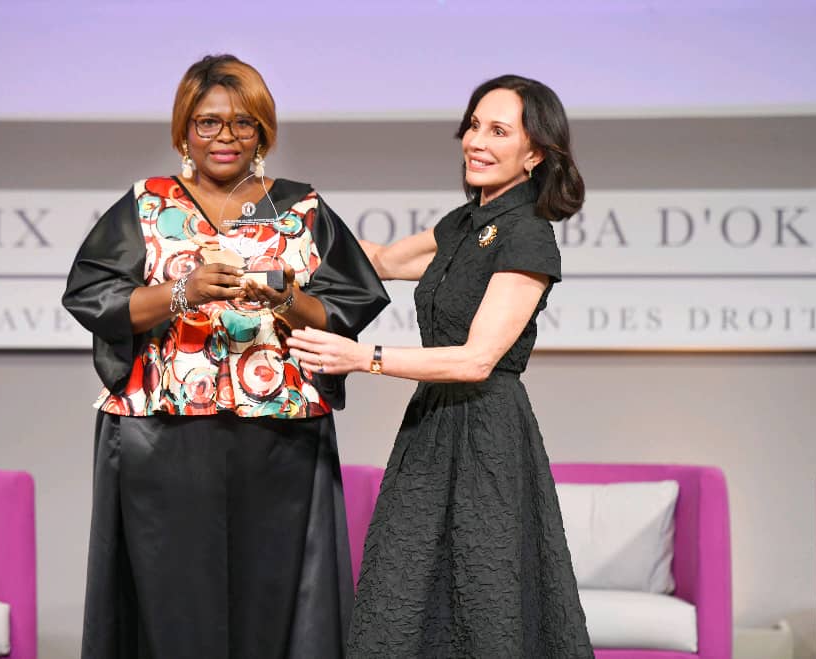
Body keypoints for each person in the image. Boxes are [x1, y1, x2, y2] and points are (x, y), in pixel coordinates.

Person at [62, 54, 388, 659]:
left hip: (280, 434)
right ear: (184, 131)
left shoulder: (299, 208)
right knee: (172, 602)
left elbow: (347, 305)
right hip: (161, 434)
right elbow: (92, 296)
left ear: (262, 132)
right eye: (208, 122)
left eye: (243, 123)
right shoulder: (148, 203)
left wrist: (285, 297)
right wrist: (180, 293)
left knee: (273, 599)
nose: (226, 137)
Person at [286, 74, 595, 658]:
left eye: (498, 130)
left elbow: (478, 360)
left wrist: (362, 357)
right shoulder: (463, 224)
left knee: (481, 601)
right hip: (430, 429)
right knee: (400, 590)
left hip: (487, 436)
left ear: (534, 153)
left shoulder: (529, 236)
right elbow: (378, 260)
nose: (476, 141)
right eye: (474, 125)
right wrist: (291, 227)